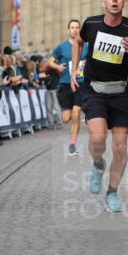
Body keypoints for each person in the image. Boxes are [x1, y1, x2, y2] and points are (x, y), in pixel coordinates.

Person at [71, 0, 128, 213]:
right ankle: (98, 164)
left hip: (119, 93)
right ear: (103, 3)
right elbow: (78, 42)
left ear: (124, 3)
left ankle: (112, 192)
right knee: (97, 138)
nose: (114, 0)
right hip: (94, 90)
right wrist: (74, 70)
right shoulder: (92, 24)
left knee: (120, 148)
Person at [51, 19, 89, 156]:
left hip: (81, 83)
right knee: (67, 118)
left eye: (77, 27)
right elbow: (50, 61)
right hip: (65, 84)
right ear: (68, 30)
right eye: (72, 27)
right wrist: (57, 66)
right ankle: (82, 114)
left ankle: (72, 144)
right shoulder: (61, 47)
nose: (75, 30)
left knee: (76, 113)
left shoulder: (86, 46)